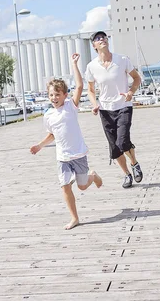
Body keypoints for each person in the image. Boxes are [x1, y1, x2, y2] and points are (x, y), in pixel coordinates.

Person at [30, 53, 103, 230]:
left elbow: (79, 86)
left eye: (57, 94)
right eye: (50, 95)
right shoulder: (48, 116)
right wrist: (40, 145)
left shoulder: (71, 106)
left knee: (83, 186)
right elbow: (52, 135)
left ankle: (92, 176)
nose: (54, 98)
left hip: (78, 154)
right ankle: (74, 218)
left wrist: (74, 64)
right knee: (65, 187)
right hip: (62, 157)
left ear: (64, 95)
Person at [85, 30, 143, 189]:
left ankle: (134, 163)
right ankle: (127, 174)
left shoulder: (122, 59)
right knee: (114, 147)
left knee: (122, 141)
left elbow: (137, 78)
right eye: (97, 38)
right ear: (94, 46)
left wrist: (131, 92)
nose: (102, 39)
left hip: (123, 105)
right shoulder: (91, 66)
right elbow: (90, 89)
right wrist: (94, 104)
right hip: (105, 110)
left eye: (103, 37)